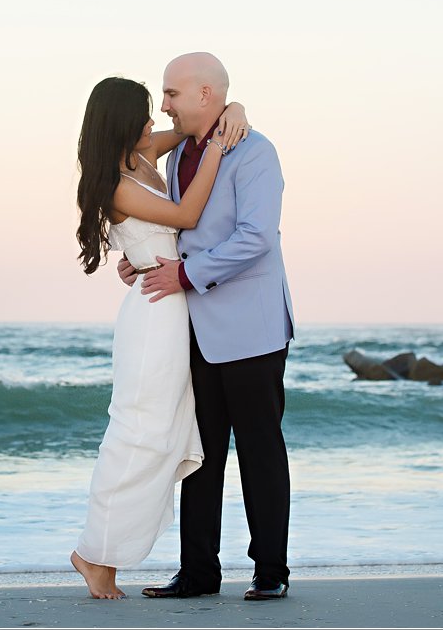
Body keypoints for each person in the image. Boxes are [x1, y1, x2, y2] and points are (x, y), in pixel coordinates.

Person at [69, 76, 251, 600]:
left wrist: (233, 106)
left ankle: (102, 551)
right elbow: (186, 214)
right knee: (137, 432)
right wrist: (219, 146)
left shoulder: (143, 153)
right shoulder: (117, 182)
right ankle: (94, 554)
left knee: (164, 429)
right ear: (121, 122)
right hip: (152, 314)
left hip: (170, 306)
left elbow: (196, 123)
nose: (156, 122)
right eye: (145, 114)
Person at [126, 52, 296, 602]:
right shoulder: (179, 156)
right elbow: (180, 228)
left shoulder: (256, 152)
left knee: (259, 451)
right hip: (193, 326)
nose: (164, 104)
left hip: (252, 328)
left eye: (172, 93)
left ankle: (271, 571)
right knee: (199, 454)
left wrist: (187, 274)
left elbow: (255, 238)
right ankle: (198, 573)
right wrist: (146, 263)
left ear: (205, 95)